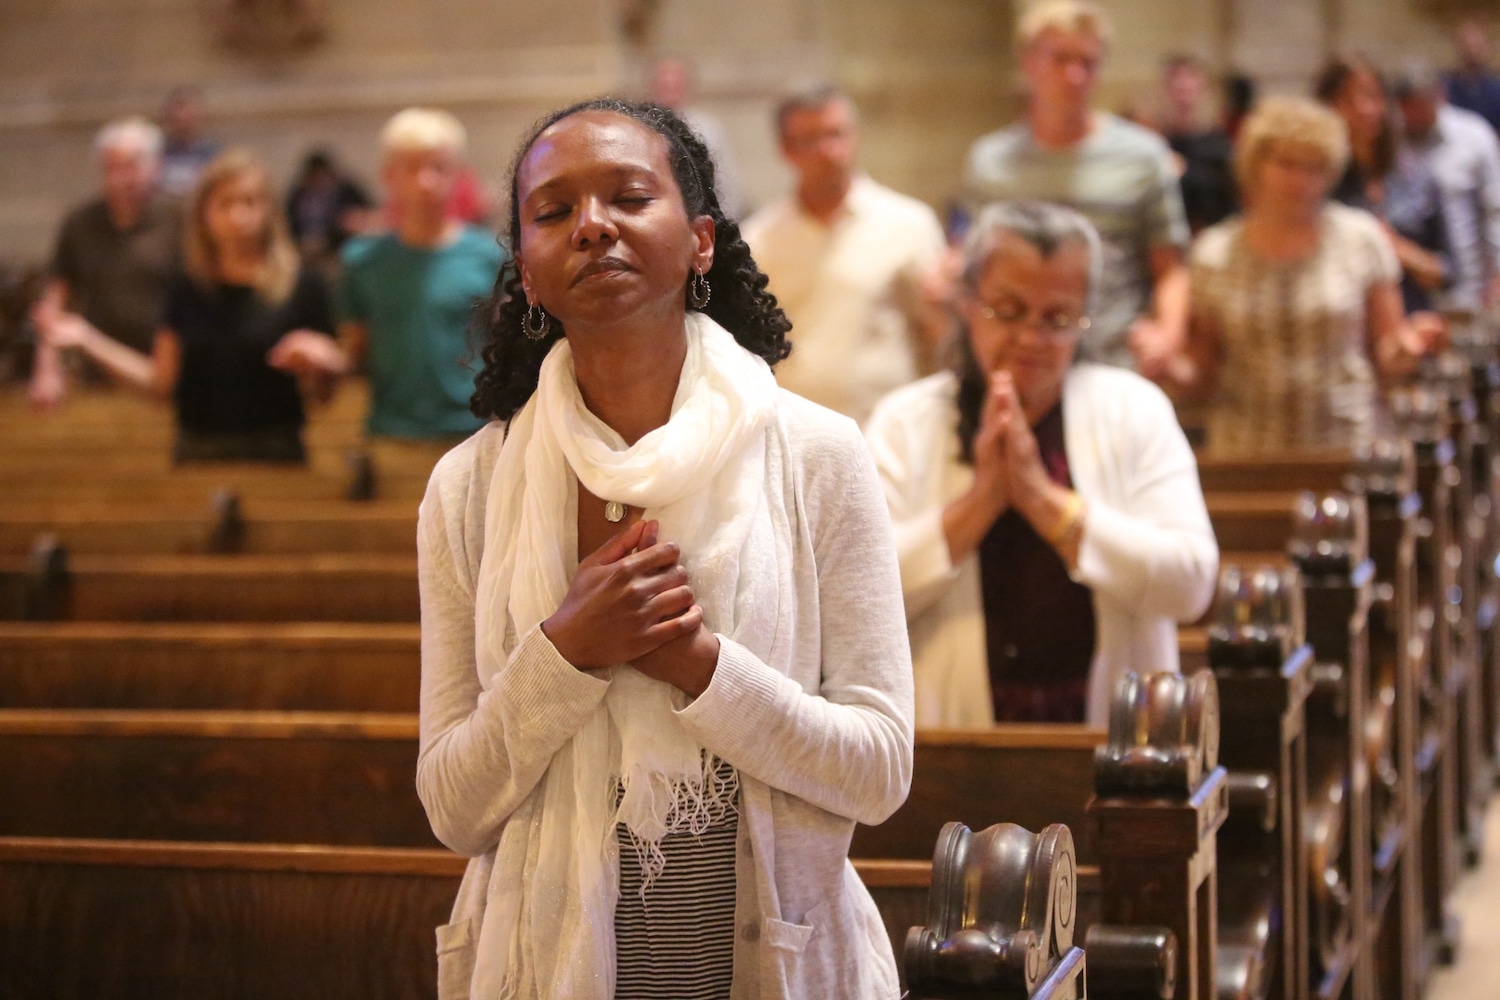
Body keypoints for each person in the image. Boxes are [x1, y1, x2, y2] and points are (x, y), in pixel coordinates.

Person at [415, 98, 913, 1000]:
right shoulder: (470, 488)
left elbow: (878, 768)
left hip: (770, 958)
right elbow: (454, 806)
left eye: (629, 197)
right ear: (526, 271)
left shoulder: (815, 455)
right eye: (555, 212)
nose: (593, 226)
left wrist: (699, 666)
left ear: (701, 241)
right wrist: (566, 653)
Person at [865, 200, 1216, 729]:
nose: (1031, 339)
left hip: (1114, 738)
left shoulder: (1133, 409)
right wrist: (980, 504)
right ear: (967, 303)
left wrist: (1045, 502)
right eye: (1007, 310)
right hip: (952, 740)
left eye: (1057, 318)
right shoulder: (905, 421)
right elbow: (862, 602)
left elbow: (1190, 585)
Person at [1173, 96, 1446, 453]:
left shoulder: (1360, 239)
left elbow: (1386, 347)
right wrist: (1173, 368)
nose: (1299, 180)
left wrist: (1412, 346)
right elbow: (1205, 361)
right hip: (1246, 451)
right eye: (1286, 164)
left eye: (1314, 167)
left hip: (1345, 444)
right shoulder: (1215, 253)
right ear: (1256, 163)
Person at [43, 149, 334, 463]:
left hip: (277, 448)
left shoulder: (302, 284)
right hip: (200, 449)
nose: (239, 217)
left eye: (250, 202)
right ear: (204, 215)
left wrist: (324, 364)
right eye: (225, 204)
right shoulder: (188, 289)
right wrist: (89, 339)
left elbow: (324, 395)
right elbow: (160, 383)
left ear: (270, 210)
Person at [964, 0, 1190, 378]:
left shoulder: (1142, 155)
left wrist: (1168, 334)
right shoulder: (991, 160)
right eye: (1061, 59)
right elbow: (976, 268)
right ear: (1028, 62)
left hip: (1113, 361)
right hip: (1021, 362)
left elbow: (1171, 267)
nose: (1075, 75)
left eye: (1088, 62)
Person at [271, 108, 506, 456]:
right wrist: (321, 357)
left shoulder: (488, 257)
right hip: (391, 434)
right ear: (389, 177)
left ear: (457, 176)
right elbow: (355, 353)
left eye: (437, 167)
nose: (425, 182)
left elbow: (507, 350)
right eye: (411, 168)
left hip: (476, 434)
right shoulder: (362, 261)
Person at [742, 86, 947, 423]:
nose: (829, 151)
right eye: (811, 139)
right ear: (785, 151)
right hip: (795, 434)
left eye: (837, 134)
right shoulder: (757, 240)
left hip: (885, 432)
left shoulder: (909, 224)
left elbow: (936, 334)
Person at [28, 116, 182, 408]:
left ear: (156, 165)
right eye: (111, 167)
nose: (121, 179)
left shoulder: (180, 219)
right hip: (97, 373)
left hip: (165, 373)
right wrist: (46, 369)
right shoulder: (80, 223)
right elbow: (54, 299)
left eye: (131, 166)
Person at [1317, 54, 1454, 313]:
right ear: (1328, 107)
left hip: (1415, 318)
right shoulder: (1320, 183)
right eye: (1348, 99)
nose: (1364, 109)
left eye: (1372, 96)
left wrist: (1402, 252)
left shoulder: (1414, 175)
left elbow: (1448, 271)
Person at [1395, 61, 1500, 314]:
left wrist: (1497, 274)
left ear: (1439, 96)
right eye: (1409, 108)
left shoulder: (1474, 136)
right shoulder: (1390, 140)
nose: (1416, 115)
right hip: (1410, 290)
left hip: (1471, 290)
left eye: (1422, 106)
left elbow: (1495, 210)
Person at [650, 55, 745, 218]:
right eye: (665, 85)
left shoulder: (709, 129)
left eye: (675, 85)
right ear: (654, 87)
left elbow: (727, 183)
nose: (670, 92)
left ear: (687, 86)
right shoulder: (641, 128)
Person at [1159, 54, 1238, 234]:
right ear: (1165, 91)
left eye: (1189, 88)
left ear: (1205, 91)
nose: (1183, 97)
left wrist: (1185, 171)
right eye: (1176, 87)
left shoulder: (1221, 148)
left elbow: (1230, 204)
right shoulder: (1155, 144)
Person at [285, 149, 374, 270]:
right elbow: (286, 222)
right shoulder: (298, 195)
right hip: (302, 253)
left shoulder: (349, 193)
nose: (318, 181)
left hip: (339, 252)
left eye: (321, 176)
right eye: (313, 177)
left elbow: (366, 216)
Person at [156, 87, 220, 199]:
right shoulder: (156, 152)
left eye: (188, 112)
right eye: (179, 110)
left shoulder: (213, 154)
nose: (183, 117)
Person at [1448, 18, 1500, 136]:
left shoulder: (1497, 91)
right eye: (1467, 44)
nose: (1472, 51)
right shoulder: (1444, 88)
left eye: (1477, 45)